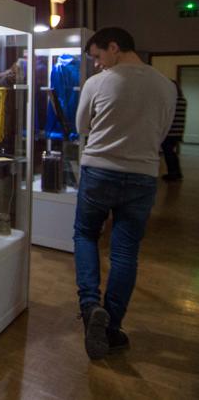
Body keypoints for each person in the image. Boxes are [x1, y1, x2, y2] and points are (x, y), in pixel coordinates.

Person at [73, 27, 176, 360]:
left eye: (98, 56)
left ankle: (91, 307)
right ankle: (112, 326)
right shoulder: (166, 86)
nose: (97, 64)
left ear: (114, 47)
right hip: (142, 175)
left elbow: (81, 126)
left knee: (85, 235)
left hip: (99, 170)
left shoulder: (98, 83)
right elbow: (163, 132)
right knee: (125, 252)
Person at [160, 80, 187, 181]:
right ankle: (177, 173)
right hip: (178, 132)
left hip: (170, 132)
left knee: (169, 153)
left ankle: (173, 174)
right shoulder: (182, 100)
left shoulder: (173, 100)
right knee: (171, 152)